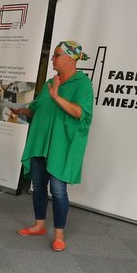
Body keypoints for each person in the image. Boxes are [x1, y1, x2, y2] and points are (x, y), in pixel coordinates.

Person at [11, 40, 94, 252]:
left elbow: (80, 114)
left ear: (70, 58)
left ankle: (59, 233)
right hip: (40, 143)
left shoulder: (82, 84)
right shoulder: (50, 82)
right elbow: (38, 109)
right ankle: (39, 224)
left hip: (60, 146)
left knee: (58, 190)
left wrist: (57, 97)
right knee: (38, 186)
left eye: (57, 55)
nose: (53, 59)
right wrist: (23, 111)